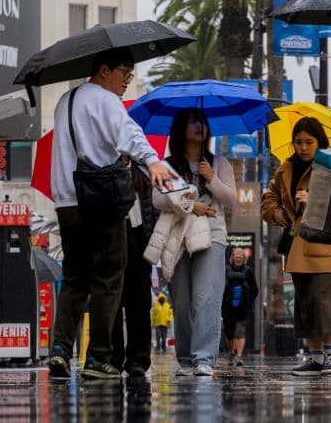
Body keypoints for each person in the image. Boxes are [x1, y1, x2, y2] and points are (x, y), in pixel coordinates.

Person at [48, 49, 172, 381]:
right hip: (101, 201)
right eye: (124, 74)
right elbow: (128, 134)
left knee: (74, 278)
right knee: (107, 279)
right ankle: (99, 358)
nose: (126, 83)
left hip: (67, 201)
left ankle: (60, 350)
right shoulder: (105, 100)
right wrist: (152, 159)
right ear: (105, 71)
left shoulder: (65, 101)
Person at [261, 117, 331, 376]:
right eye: (298, 142)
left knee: (326, 302)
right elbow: (269, 197)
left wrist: (314, 200)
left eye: (309, 142)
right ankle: (314, 357)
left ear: (320, 142)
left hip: (326, 246)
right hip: (298, 246)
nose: (303, 147)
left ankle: (330, 355)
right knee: (306, 302)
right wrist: (276, 214)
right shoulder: (286, 168)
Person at [159, 108, 236, 377]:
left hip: (212, 237)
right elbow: (158, 201)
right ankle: (185, 359)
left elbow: (230, 201)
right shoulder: (167, 166)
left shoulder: (219, 164)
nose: (199, 125)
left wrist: (212, 179)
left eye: (202, 120)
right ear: (180, 129)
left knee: (206, 298)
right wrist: (192, 206)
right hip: (178, 239)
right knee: (182, 301)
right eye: (192, 120)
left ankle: (204, 358)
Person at [110, 162, 161, 378]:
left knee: (139, 302)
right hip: (112, 238)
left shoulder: (143, 170)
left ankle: (138, 359)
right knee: (112, 300)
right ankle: (113, 357)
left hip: (139, 239)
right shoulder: (105, 166)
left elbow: (154, 208)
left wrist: (155, 241)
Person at [222, 247, 259, 366]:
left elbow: (254, 289)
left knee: (240, 332)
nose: (238, 258)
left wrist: (248, 301)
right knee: (229, 333)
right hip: (228, 306)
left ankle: (239, 357)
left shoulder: (248, 271)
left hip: (243, 307)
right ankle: (232, 354)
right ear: (232, 258)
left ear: (244, 259)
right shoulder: (225, 270)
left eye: (240, 257)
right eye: (236, 256)